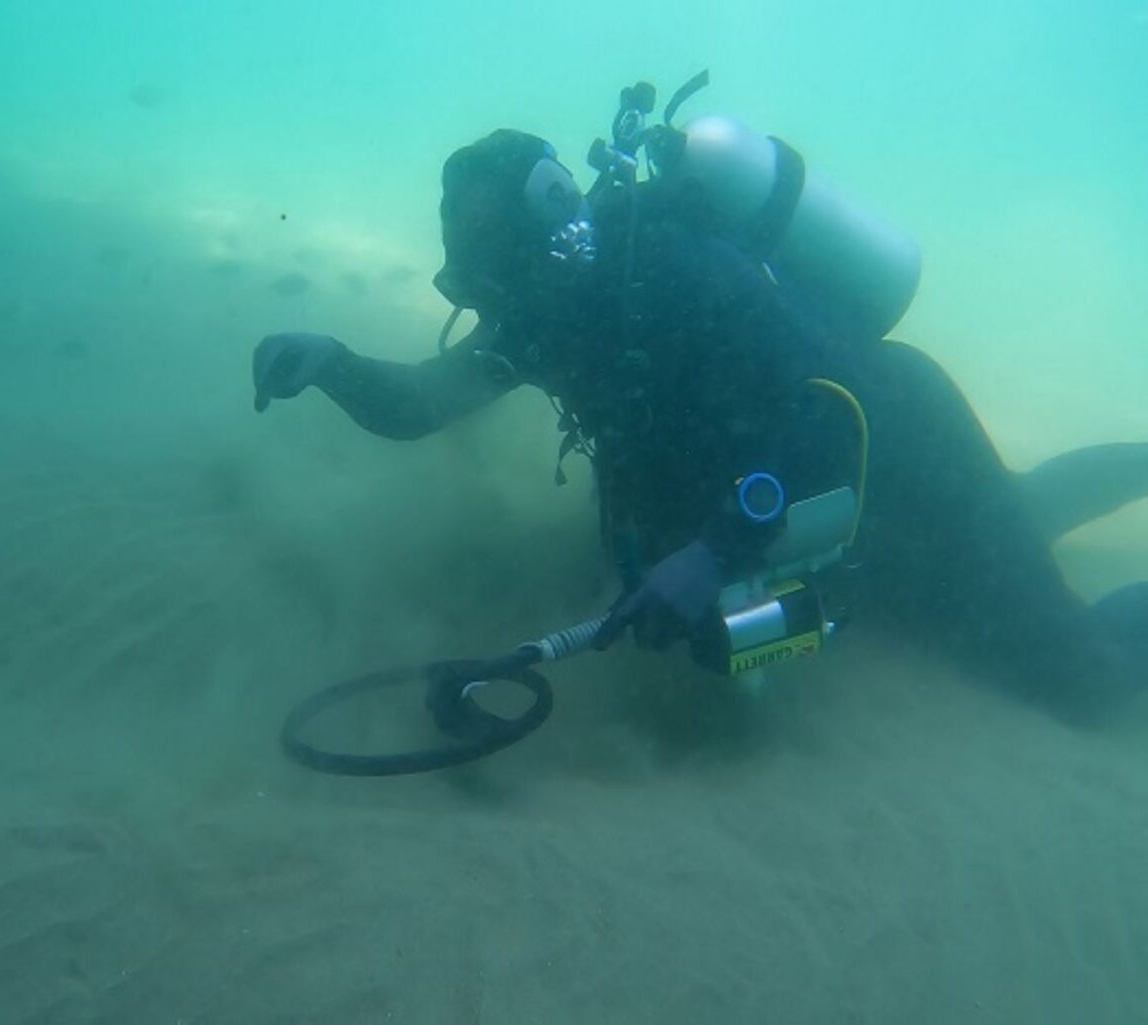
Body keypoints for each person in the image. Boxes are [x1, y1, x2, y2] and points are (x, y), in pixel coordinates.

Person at [251, 126, 1148, 724]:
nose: (468, 275)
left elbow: (831, 415)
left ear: (549, 219)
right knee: (1005, 523)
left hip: (899, 441)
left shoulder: (672, 269)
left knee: (1087, 683)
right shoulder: (542, 310)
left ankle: (1015, 532)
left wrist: (713, 553)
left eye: (483, 247)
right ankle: (999, 522)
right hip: (813, 495)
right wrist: (330, 361)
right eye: (459, 247)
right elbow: (422, 404)